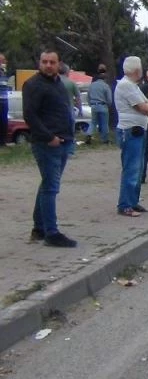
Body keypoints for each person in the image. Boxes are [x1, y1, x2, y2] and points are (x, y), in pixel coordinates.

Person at [22, 50, 78, 247]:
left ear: (58, 64)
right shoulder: (33, 85)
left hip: (63, 141)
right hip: (47, 144)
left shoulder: (58, 84)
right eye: (44, 61)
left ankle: (39, 228)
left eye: (51, 62)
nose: (48, 65)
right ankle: (51, 233)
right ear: (39, 63)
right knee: (50, 187)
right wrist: (49, 137)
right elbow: (30, 115)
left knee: (47, 185)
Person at [115, 56, 148, 217]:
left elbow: (147, 103)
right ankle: (125, 204)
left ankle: (133, 200)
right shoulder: (126, 86)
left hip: (138, 129)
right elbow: (145, 107)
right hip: (130, 130)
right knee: (131, 168)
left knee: (138, 167)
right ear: (137, 70)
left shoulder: (133, 86)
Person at [88, 64, 113, 144]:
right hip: (103, 105)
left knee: (93, 122)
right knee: (104, 123)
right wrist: (108, 104)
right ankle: (104, 139)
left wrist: (90, 104)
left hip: (94, 105)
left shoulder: (92, 85)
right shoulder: (106, 86)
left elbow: (88, 96)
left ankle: (89, 134)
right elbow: (109, 99)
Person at [0, 52, 9, 147]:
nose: (5, 61)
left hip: (4, 101)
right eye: (3, 60)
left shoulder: (4, 71)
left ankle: (3, 142)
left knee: (4, 121)